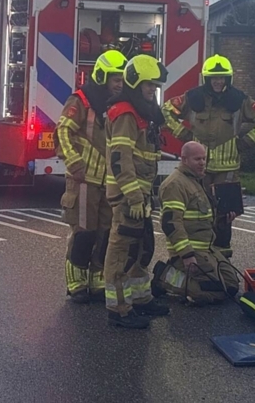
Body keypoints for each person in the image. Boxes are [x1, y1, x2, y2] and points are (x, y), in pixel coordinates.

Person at [161, 54, 255, 258]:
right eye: (214, 78)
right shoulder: (192, 98)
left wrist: (247, 141)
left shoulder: (240, 100)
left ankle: (222, 262)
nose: (218, 82)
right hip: (198, 169)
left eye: (222, 78)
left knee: (225, 216)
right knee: (197, 213)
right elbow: (167, 110)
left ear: (228, 79)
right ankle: (198, 256)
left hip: (227, 169)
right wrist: (184, 135)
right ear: (207, 79)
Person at [103, 54, 171, 328]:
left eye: (155, 86)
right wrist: (132, 197)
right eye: (149, 86)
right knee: (121, 253)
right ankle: (119, 310)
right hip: (128, 198)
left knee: (141, 249)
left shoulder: (142, 114)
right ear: (135, 84)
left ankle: (140, 300)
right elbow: (121, 159)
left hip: (141, 198)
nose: (153, 91)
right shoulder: (126, 114)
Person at [56, 50, 127, 303]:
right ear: (102, 77)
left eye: (121, 79)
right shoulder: (81, 101)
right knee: (83, 232)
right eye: (115, 79)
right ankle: (76, 282)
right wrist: (74, 163)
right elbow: (63, 131)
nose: (119, 84)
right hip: (84, 179)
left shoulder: (118, 105)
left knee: (105, 232)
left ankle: (97, 279)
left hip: (109, 182)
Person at [154, 141, 240, 305]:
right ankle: (164, 277)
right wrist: (187, 255)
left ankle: (189, 279)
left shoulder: (195, 181)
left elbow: (201, 221)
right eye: (197, 159)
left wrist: (224, 221)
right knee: (209, 292)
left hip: (207, 251)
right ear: (184, 159)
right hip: (189, 252)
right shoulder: (175, 184)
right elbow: (171, 224)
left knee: (231, 286)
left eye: (203, 159)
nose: (202, 163)